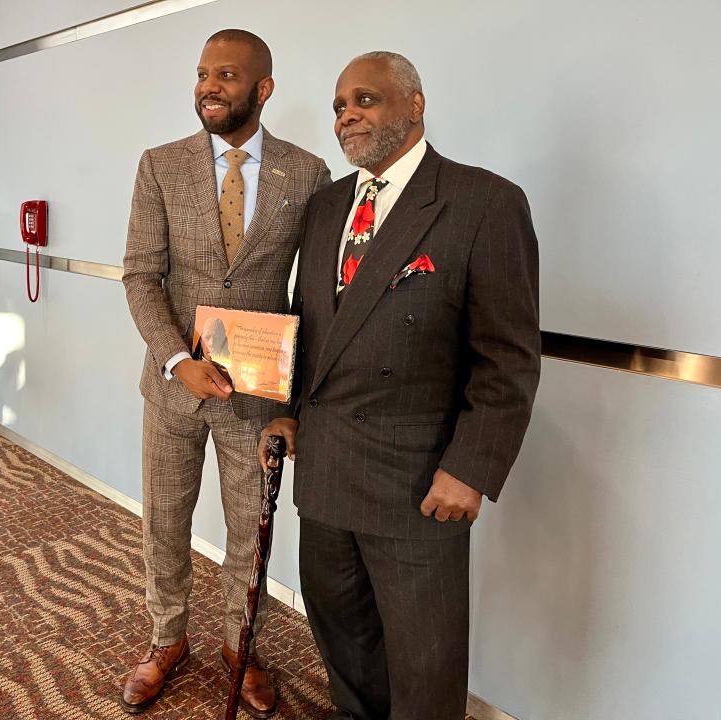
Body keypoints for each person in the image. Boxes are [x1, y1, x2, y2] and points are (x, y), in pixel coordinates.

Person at [259, 51, 541, 719]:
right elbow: (312, 322)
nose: (346, 115)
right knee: (344, 642)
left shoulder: (484, 202)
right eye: (337, 106)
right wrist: (288, 409)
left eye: (366, 99)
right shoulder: (327, 206)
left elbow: (507, 358)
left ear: (414, 105)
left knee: (425, 660)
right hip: (324, 473)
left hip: (417, 483)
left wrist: (470, 468)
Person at [121, 28, 331, 717]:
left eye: (228, 76)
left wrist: (293, 395)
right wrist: (179, 362)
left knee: (251, 531)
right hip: (174, 391)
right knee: (164, 522)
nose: (210, 86)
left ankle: (240, 647)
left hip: (256, 397)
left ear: (263, 89)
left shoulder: (307, 174)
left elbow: (314, 296)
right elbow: (140, 277)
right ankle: (165, 639)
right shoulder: (161, 165)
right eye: (204, 73)